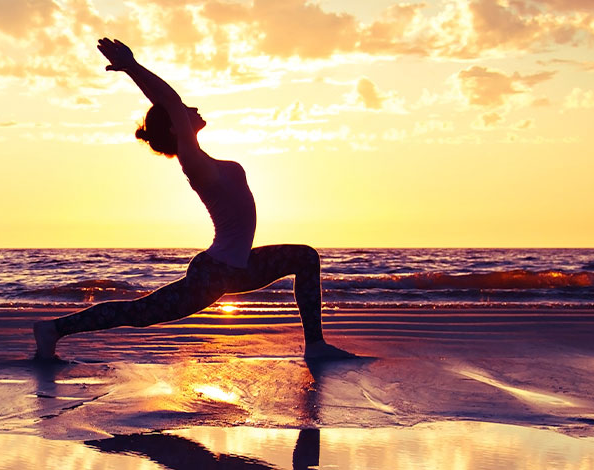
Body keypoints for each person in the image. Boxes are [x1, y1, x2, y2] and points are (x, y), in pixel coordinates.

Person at [32, 38, 355, 362]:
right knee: (140, 313)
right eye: (185, 112)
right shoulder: (194, 164)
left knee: (306, 258)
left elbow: (170, 105)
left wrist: (135, 72)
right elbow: (170, 102)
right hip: (214, 274)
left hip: (237, 268)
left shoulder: (203, 158)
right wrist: (132, 67)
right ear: (177, 128)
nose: (192, 109)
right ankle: (53, 329)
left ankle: (315, 346)